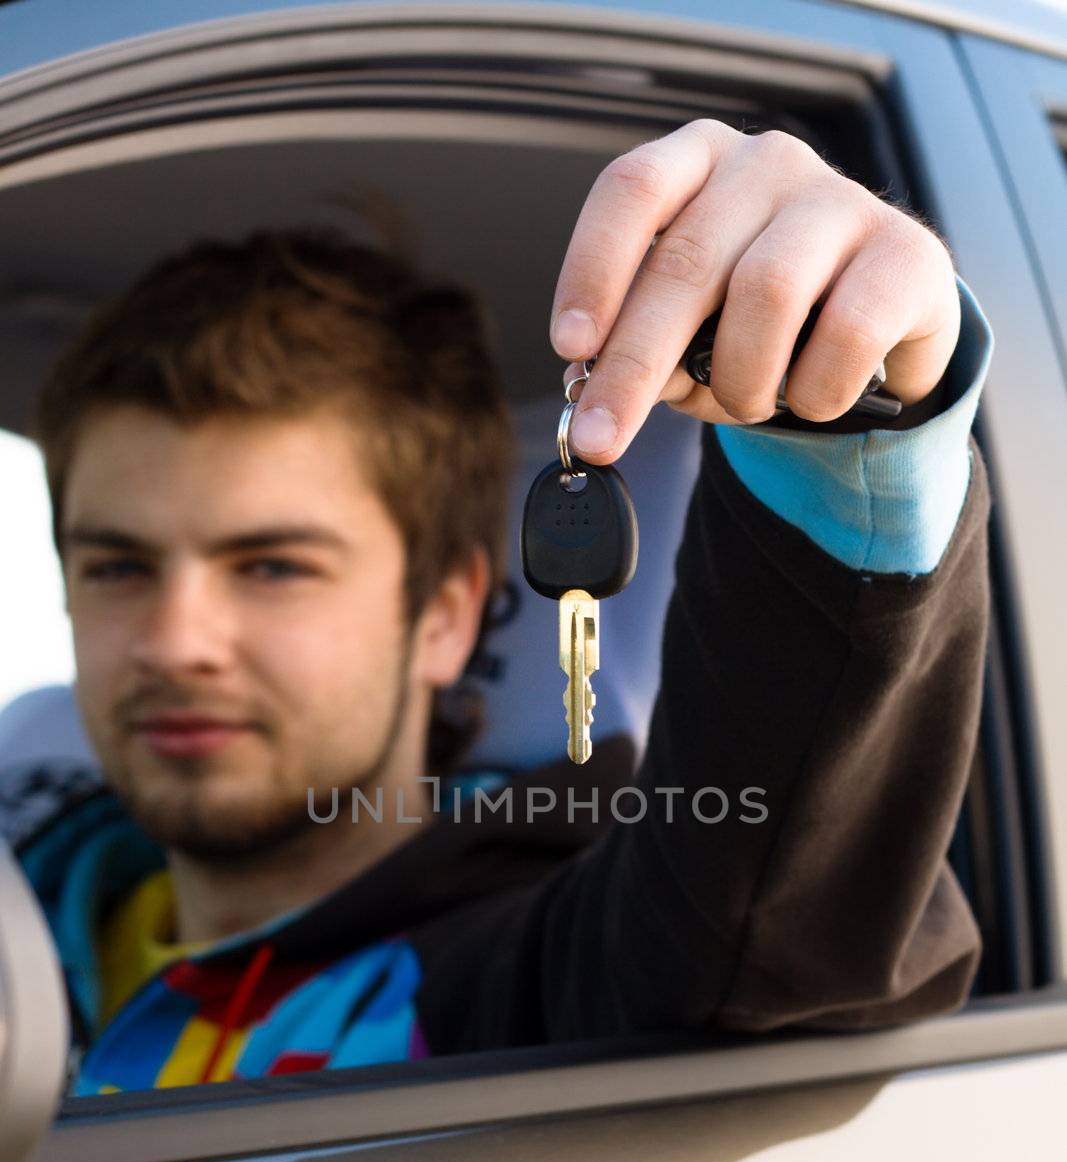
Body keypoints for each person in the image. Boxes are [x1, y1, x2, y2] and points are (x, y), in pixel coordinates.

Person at [0, 119, 992, 1094]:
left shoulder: (532, 979)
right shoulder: (25, 899)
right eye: (118, 567)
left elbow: (769, 931)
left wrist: (849, 426)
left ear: (444, 614)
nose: (176, 643)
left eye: (272, 567)